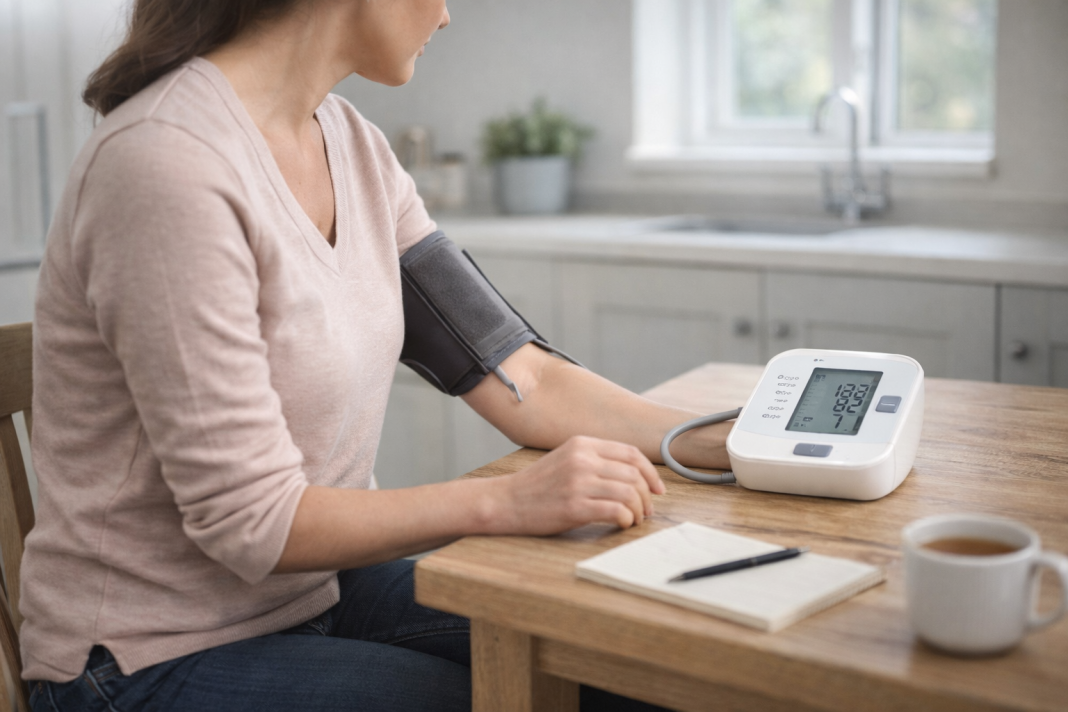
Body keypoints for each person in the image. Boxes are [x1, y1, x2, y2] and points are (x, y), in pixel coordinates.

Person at [18, 1, 733, 710]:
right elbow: (254, 522)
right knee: (509, 698)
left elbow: (523, 372)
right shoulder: (164, 163)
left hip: (320, 590)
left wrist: (729, 444)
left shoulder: (352, 145)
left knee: (625, 665)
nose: (448, 16)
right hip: (147, 658)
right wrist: (509, 500)